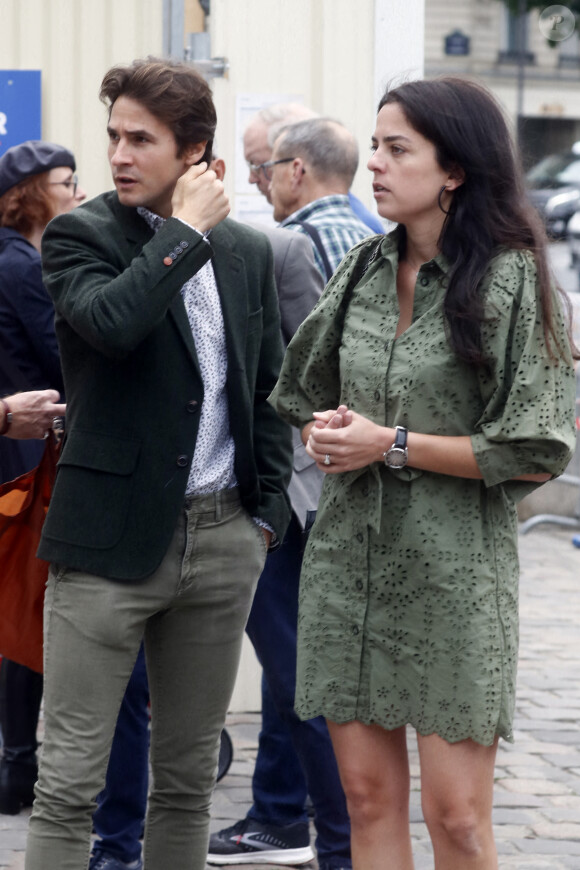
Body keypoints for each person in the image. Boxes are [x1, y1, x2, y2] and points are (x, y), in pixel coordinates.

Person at [269, 76, 578, 870]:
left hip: (454, 580)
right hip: (346, 571)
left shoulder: (513, 280)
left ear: (455, 170)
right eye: (374, 145)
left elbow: (533, 445)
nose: (374, 163)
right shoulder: (363, 269)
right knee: (366, 804)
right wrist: (328, 431)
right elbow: (299, 391)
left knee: (458, 822)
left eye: (396, 148)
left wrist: (390, 444)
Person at [25, 57, 292, 870]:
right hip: (106, 545)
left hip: (221, 542)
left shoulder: (248, 252)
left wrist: (264, 518)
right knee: (68, 784)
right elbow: (110, 325)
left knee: (185, 784)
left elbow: (268, 388)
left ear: (195, 153)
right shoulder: (82, 235)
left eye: (142, 139)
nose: (120, 155)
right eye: (114, 136)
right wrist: (183, 235)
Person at [208, 163, 353, 868]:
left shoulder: (279, 249)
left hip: (275, 503)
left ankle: (343, 845)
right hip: (174, 506)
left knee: (299, 673)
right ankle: (279, 818)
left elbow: (321, 369)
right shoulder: (118, 253)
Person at [0, 140, 86, 816]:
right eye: (66, 182)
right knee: (25, 612)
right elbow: (68, 364)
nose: (78, 192)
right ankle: (21, 765)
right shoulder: (26, 267)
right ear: (30, 195)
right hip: (23, 462)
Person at [244, 103, 383, 234]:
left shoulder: (296, 238)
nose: (251, 179)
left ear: (296, 169)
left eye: (258, 165)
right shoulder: (360, 227)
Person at [268, 118, 372, 280]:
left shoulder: (287, 244)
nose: (270, 184)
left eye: (272, 169)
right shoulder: (374, 241)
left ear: (296, 171)